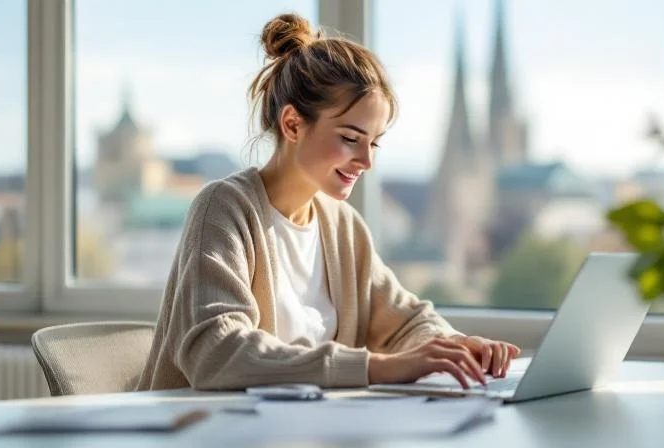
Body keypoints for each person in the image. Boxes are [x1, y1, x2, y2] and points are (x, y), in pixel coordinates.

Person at [137, 13, 520, 392]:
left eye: (374, 143)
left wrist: (456, 346)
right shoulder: (224, 208)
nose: (367, 161)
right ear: (292, 124)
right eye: (351, 138)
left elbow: (405, 321)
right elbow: (216, 352)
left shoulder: (342, 226)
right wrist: (375, 368)